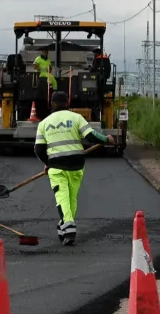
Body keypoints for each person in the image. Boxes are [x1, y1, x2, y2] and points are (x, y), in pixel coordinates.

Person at [34, 90, 109, 246]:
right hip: (76, 165)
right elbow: (91, 136)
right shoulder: (76, 118)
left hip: (56, 166)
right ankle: (64, 225)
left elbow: (39, 149)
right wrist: (106, 139)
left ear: (52, 104)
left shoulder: (44, 123)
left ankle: (68, 226)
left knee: (62, 196)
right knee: (72, 197)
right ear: (67, 103)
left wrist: (47, 163)